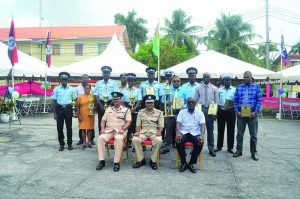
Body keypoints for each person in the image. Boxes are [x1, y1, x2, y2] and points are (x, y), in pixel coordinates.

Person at [96, 92, 132, 172]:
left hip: (120, 130)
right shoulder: (108, 109)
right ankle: (101, 161)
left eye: (117, 99)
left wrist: (123, 128)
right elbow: (103, 120)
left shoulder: (126, 110)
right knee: (100, 138)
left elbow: (129, 122)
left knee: (119, 139)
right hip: (109, 130)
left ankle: (116, 162)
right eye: (114, 99)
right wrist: (102, 128)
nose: (115, 101)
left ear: (120, 100)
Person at [233, 71, 262, 161]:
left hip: (252, 114)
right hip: (241, 114)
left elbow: (259, 100)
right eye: (244, 77)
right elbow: (236, 100)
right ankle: (239, 150)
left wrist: (255, 111)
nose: (246, 79)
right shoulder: (239, 87)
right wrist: (237, 111)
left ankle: (253, 152)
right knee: (239, 134)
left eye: (247, 77)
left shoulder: (256, 87)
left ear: (251, 77)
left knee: (253, 135)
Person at [132, 95, 164, 170]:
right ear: (145, 104)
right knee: (135, 139)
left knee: (159, 140)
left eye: (151, 103)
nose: (149, 104)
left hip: (154, 132)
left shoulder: (159, 112)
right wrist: (137, 132)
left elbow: (161, 125)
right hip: (143, 132)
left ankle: (153, 160)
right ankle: (141, 160)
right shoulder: (140, 112)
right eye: (148, 103)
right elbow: (138, 124)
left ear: (153, 103)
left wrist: (159, 131)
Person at [176, 97, 206, 173]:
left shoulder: (200, 113)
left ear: (196, 103)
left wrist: (201, 135)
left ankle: (191, 163)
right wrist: (178, 133)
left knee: (200, 142)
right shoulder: (182, 112)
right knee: (178, 140)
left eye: (192, 102)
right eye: (189, 102)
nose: (191, 104)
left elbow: (203, 125)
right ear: (186, 103)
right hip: (184, 132)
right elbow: (178, 123)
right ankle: (183, 162)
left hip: (195, 133)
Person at [160, 75, 187, 154]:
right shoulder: (168, 90)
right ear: (172, 82)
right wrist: (167, 102)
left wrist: (183, 107)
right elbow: (162, 100)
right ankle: (168, 145)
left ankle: (178, 143)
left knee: (179, 129)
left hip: (180, 113)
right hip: (169, 111)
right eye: (174, 81)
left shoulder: (183, 90)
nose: (176, 82)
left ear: (180, 82)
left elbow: (187, 101)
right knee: (169, 129)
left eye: (177, 81)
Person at [194, 72, 219, 157]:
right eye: (204, 77)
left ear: (210, 78)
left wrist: (214, 113)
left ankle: (211, 148)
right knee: (198, 129)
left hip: (210, 110)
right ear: (202, 78)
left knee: (210, 130)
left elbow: (216, 101)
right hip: (200, 109)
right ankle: (196, 147)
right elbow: (195, 100)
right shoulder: (198, 88)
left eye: (207, 77)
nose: (206, 78)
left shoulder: (214, 88)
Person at [51, 72, 76, 151]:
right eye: (62, 79)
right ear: (60, 80)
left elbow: (75, 100)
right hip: (59, 109)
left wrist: (75, 110)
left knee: (69, 127)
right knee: (59, 128)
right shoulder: (56, 89)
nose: (64, 81)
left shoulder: (72, 89)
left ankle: (69, 144)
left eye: (65, 79)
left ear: (67, 80)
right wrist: (54, 113)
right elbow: (54, 101)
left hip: (68, 109)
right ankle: (61, 144)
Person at [214, 73, 236, 154]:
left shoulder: (234, 90)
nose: (227, 81)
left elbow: (236, 100)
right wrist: (216, 111)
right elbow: (217, 101)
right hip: (221, 111)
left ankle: (230, 148)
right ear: (223, 81)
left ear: (230, 81)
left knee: (231, 130)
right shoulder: (219, 90)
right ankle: (219, 146)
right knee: (220, 129)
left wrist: (233, 106)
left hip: (231, 111)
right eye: (225, 80)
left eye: (228, 80)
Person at [94, 66, 119, 134]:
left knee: (111, 121)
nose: (106, 74)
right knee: (101, 120)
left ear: (110, 74)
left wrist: (110, 105)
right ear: (102, 74)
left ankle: (110, 139)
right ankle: (101, 138)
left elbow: (115, 95)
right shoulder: (98, 83)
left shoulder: (114, 83)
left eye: (107, 73)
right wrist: (101, 105)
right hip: (101, 103)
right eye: (104, 73)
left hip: (111, 103)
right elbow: (96, 95)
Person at [121, 73, 142, 149]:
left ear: (134, 81)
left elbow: (139, 100)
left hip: (135, 109)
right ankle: (126, 144)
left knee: (135, 126)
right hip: (127, 108)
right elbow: (122, 101)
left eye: (132, 81)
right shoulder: (123, 90)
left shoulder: (137, 90)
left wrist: (134, 109)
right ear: (127, 81)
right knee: (127, 127)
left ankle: (135, 146)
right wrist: (127, 109)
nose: (130, 82)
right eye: (129, 81)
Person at [74, 74, 96, 145]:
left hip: (90, 113)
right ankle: (82, 140)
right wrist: (77, 113)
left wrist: (93, 109)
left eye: (86, 78)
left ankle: (91, 140)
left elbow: (95, 102)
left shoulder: (93, 89)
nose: (85, 79)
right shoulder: (77, 88)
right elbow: (75, 101)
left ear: (88, 79)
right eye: (83, 78)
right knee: (82, 128)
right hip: (82, 112)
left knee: (90, 128)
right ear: (81, 79)